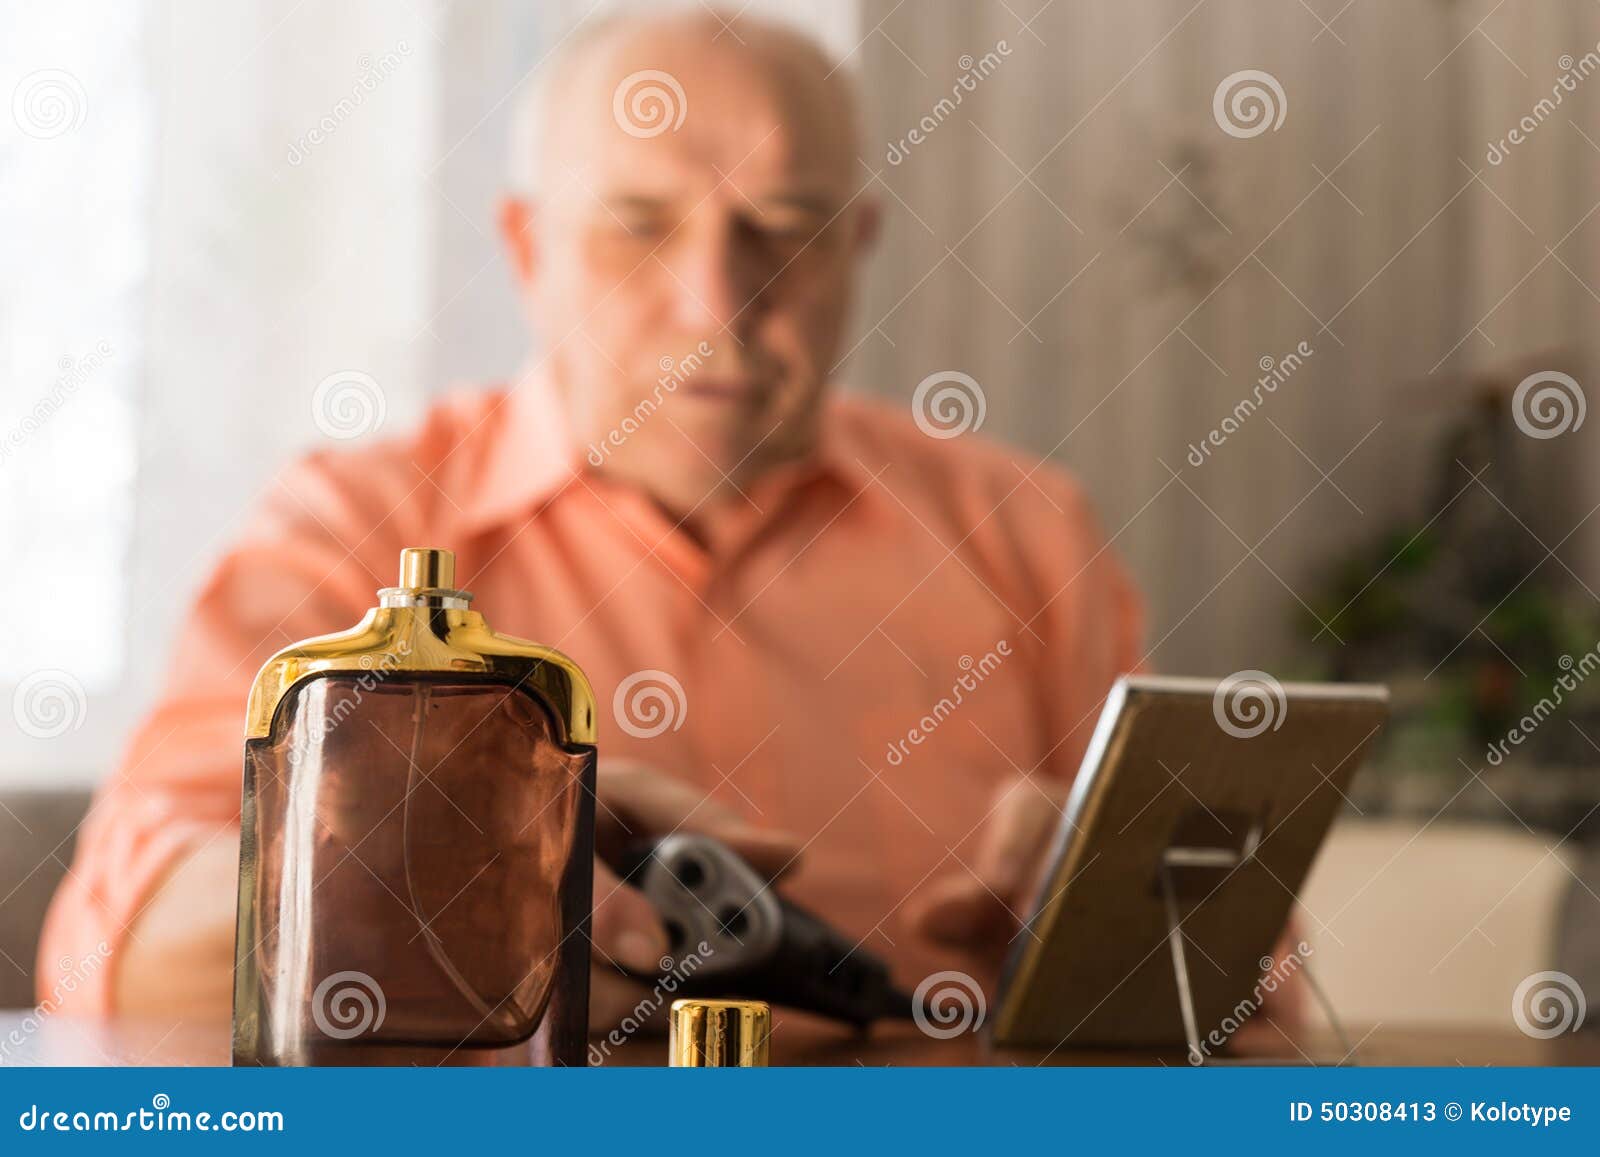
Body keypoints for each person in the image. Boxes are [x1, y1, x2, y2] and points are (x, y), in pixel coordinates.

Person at [38, 10, 1144, 1032]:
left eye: (784, 229)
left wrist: (1107, 928)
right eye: (639, 226)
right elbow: (109, 945)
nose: (717, 300)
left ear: (856, 247)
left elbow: (1251, 988)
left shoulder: (1023, 531)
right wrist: (422, 876)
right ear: (528, 247)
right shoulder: (349, 524)